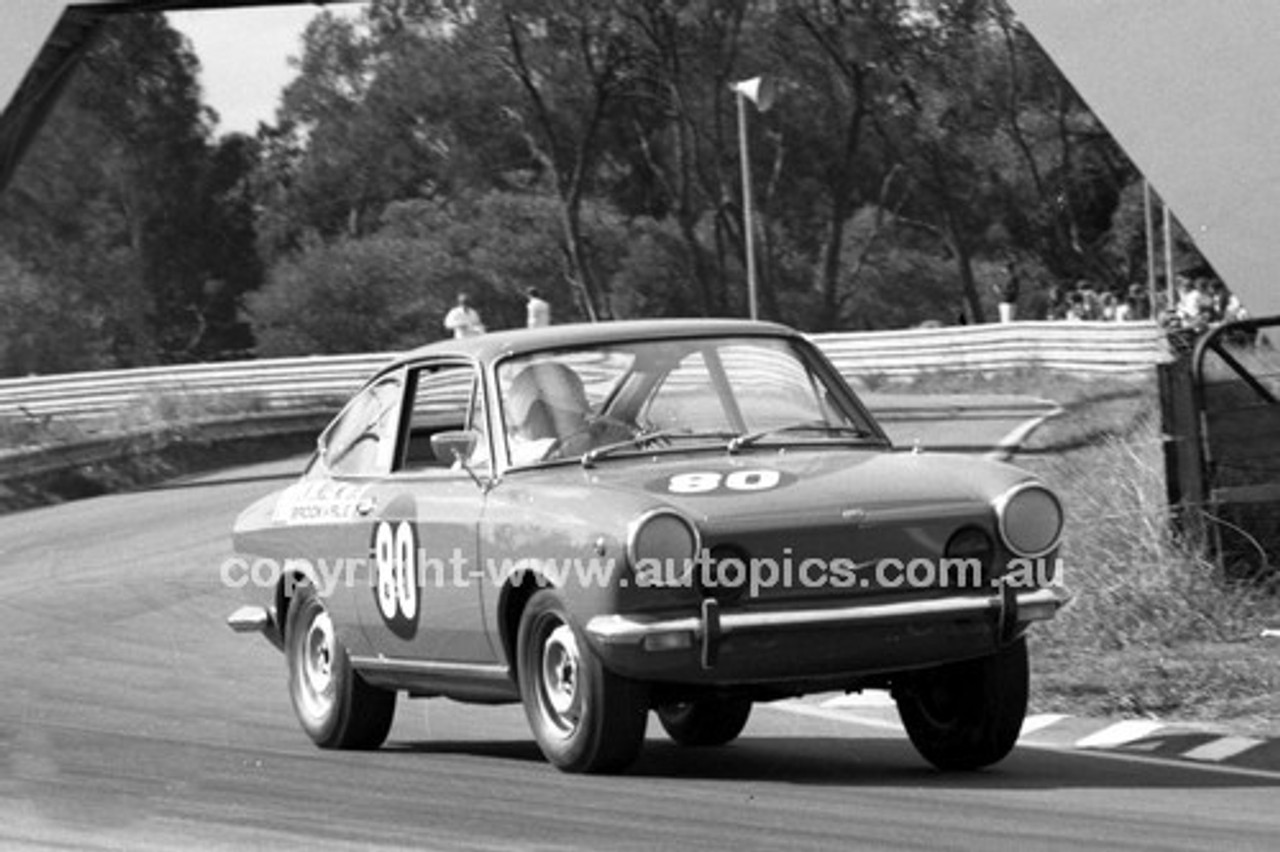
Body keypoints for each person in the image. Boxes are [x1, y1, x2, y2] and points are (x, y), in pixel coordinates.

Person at [504, 361, 632, 464]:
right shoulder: (513, 453)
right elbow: (547, 455)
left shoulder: (588, 436)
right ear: (538, 411)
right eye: (564, 410)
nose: (580, 416)